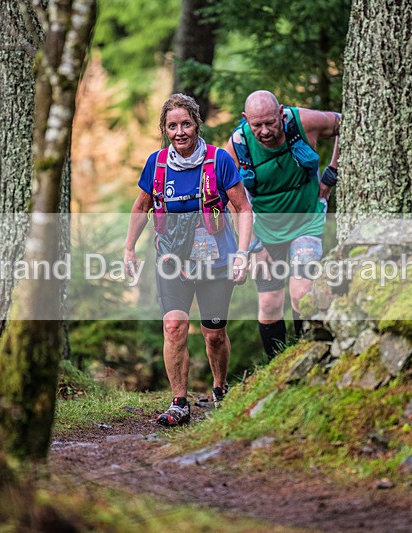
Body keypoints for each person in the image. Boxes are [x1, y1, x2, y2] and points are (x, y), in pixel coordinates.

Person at [125, 94, 252, 426]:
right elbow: (141, 207)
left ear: (197, 123)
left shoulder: (219, 160)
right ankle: (179, 402)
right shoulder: (157, 164)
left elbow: (242, 207)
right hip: (172, 263)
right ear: (165, 129)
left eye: (185, 123)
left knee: (213, 334)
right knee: (174, 326)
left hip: (216, 263)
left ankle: (220, 390)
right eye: (172, 126)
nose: (179, 132)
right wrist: (129, 249)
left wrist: (242, 253)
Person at [225, 90, 340, 360]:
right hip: (264, 232)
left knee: (302, 294)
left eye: (270, 123)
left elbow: (347, 123)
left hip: (306, 222)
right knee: (269, 304)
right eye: (257, 125)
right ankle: (277, 367)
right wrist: (252, 245)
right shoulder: (236, 146)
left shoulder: (303, 122)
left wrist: (332, 173)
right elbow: (234, 202)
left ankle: (306, 358)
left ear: (280, 113)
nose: (265, 131)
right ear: (245, 119)